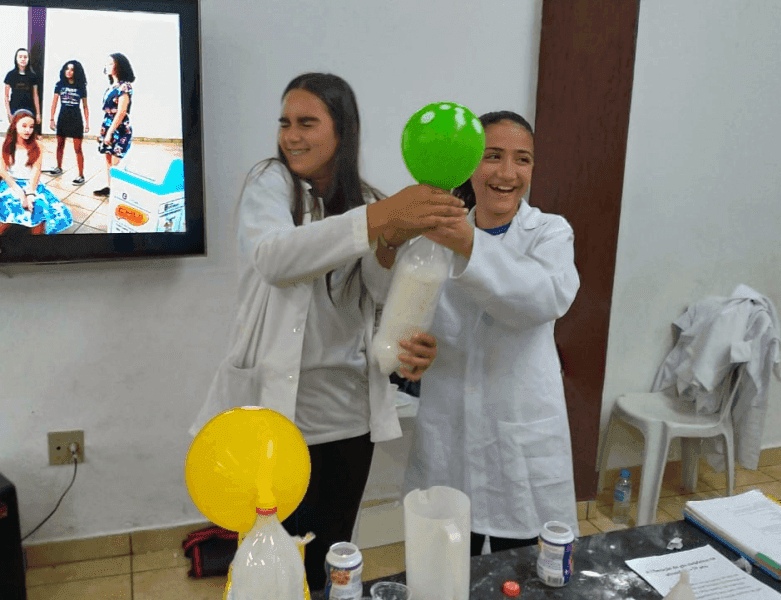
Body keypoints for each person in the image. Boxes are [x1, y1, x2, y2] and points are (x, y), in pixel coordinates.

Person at [189, 72, 468, 590]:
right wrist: (379, 218)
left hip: (348, 415)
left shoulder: (367, 199)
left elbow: (378, 295)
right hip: (280, 415)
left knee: (332, 556)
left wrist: (391, 250)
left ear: (343, 131)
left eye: (307, 123)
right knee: (274, 562)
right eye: (285, 123)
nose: (291, 136)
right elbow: (275, 259)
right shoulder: (270, 182)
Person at [404, 111, 581, 555]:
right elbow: (409, 312)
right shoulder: (434, 237)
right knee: (445, 559)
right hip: (450, 431)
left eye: (522, 159)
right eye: (492, 156)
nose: (507, 173)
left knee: (522, 564)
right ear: (469, 165)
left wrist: (467, 243)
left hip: (519, 437)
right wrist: (414, 349)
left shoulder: (550, 232)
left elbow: (542, 298)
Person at [0, 109, 73, 235]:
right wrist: (19, 193)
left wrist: (30, 194)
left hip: (32, 184)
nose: (28, 130)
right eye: (24, 126)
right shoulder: (5, 144)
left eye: (31, 126)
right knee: (8, 208)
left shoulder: (37, 145)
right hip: (11, 183)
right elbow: (3, 171)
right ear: (15, 125)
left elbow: (36, 171)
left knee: (39, 208)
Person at [94, 53, 134, 197]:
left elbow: (121, 112)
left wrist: (110, 132)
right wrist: (103, 131)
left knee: (116, 160)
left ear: (119, 66)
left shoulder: (125, 86)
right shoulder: (112, 87)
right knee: (108, 158)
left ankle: (119, 191)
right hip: (108, 124)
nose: (107, 66)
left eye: (111, 63)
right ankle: (110, 188)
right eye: (107, 63)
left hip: (119, 127)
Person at [48, 60, 89, 185]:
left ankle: (81, 175)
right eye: (67, 69)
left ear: (76, 72)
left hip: (76, 119)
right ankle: (58, 167)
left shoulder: (81, 86)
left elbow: (85, 106)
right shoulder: (59, 85)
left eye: (72, 69)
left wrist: (87, 123)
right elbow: (54, 103)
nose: (69, 71)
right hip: (63, 118)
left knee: (78, 148)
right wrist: (51, 119)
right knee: (60, 144)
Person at [4, 48, 41, 127]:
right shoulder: (10, 75)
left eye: (25, 57)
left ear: (28, 59)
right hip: (15, 108)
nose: (23, 59)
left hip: (29, 108)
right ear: (16, 59)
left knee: (27, 129)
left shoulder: (33, 76)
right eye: (20, 57)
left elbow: (35, 96)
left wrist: (38, 113)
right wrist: (9, 113)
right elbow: (6, 96)